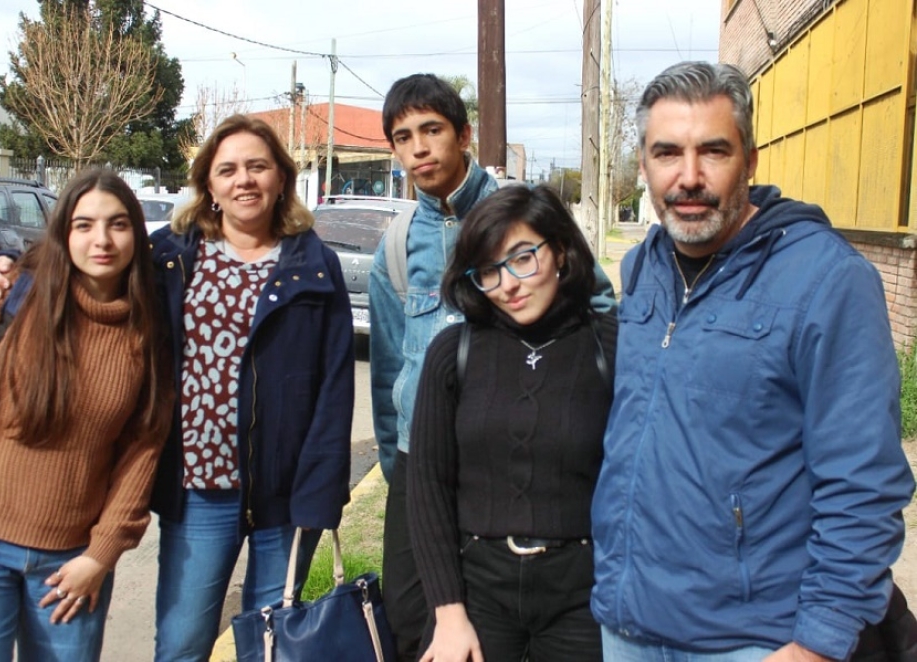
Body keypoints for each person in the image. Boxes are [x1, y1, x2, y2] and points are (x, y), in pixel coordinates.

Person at [0, 115, 356, 662]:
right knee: (181, 644)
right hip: (197, 491)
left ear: (281, 178)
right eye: (228, 170)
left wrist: (320, 491)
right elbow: (74, 263)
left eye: (257, 167)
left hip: (286, 493)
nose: (244, 180)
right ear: (210, 184)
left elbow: (336, 386)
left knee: (276, 645)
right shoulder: (168, 254)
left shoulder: (316, 266)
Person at [590, 61, 916, 661]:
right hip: (629, 625)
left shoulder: (828, 280)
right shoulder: (643, 268)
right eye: (667, 153)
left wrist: (817, 643)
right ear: (642, 165)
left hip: (753, 641)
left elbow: (862, 483)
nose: (689, 177)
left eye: (713, 151)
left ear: (751, 160)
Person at [369, 72, 618, 661]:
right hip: (424, 453)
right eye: (404, 138)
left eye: (431, 130)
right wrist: (397, 461)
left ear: (464, 134)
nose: (419, 148)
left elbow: (594, 306)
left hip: (522, 455)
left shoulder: (521, 212)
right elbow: (385, 366)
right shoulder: (399, 242)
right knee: (416, 620)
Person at [0, 168, 172, 661]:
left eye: (118, 224)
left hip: (69, 564)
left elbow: (141, 454)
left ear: (136, 234)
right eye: (84, 225)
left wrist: (100, 557)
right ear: (63, 232)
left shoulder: (149, 333)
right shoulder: (5, 295)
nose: (101, 239)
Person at [408, 184, 614, 662]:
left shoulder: (612, 348)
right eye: (488, 271)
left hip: (585, 596)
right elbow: (427, 489)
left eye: (523, 258)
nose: (508, 285)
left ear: (560, 251)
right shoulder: (453, 354)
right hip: (477, 589)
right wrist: (448, 613)